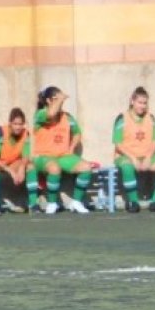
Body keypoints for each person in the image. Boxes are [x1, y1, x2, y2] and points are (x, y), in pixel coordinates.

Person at [32, 86, 95, 215]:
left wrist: (71, 148)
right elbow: (51, 114)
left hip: (63, 156)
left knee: (86, 167)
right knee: (54, 168)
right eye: (57, 98)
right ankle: (52, 202)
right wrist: (60, 99)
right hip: (43, 157)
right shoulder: (41, 114)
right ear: (50, 101)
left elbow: (77, 133)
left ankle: (76, 202)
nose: (62, 100)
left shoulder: (67, 117)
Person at [112, 87, 155, 214]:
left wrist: (148, 157)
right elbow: (118, 144)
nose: (142, 106)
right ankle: (133, 202)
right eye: (140, 102)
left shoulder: (151, 118)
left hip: (147, 156)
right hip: (126, 156)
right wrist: (133, 158)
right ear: (132, 101)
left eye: (145, 103)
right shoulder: (122, 118)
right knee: (127, 167)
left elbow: (154, 141)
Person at [0, 108, 37, 215]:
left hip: (8, 162)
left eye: (21, 124)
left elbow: (25, 156)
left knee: (30, 166)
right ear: (10, 123)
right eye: (15, 124)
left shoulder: (26, 134)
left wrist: (22, 169)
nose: (18, 127)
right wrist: (11, 171)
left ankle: (33, 205)